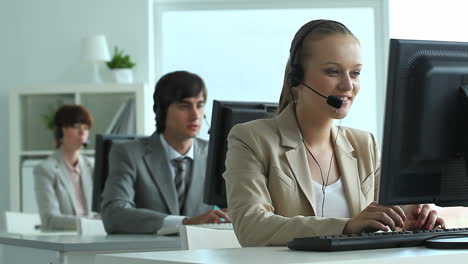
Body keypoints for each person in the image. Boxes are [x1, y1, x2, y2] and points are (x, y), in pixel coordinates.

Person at [223, 19, 446, 246]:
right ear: (297, 78)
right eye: (333, 71)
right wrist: (345, 227)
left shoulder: (363, 144)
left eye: (356, 73)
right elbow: (252, 228)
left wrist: (408, 219)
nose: (348, 85)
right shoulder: (251, 139)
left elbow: (382, 217)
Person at [101, 70, 230, 234]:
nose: (195, 115)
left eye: (200, 105)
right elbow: (114, 214)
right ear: (161, 110)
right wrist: (185, 223)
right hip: (146, 255)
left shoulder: (216, 154)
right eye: (184, 106)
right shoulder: (128, 153)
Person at [34, 104, 96, 231]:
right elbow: (50, 219)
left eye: (86, 127)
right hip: (62, 241)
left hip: (94, 236)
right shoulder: (45, 169)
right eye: (75, 127)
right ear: (59, 131)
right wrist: (87, 222)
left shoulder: (92, 166)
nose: (82, 132)